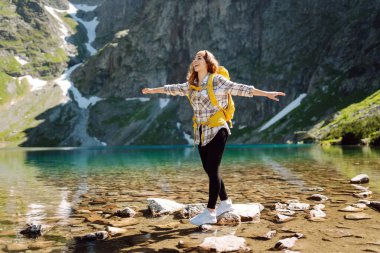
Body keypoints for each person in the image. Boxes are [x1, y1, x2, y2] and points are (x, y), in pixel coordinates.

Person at [142, 50, 286, 226]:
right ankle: (225, 203)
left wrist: (266, 93)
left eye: (200, 58)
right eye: (195, 58)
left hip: (218, 128)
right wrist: (153, 90)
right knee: (209, 169)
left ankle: (210, 212)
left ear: (208, 62)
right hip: (201, 131)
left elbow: (240, 88)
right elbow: (173, 89)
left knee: (213, 167)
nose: (195, 61)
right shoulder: (191, 84)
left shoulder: (216, 80)